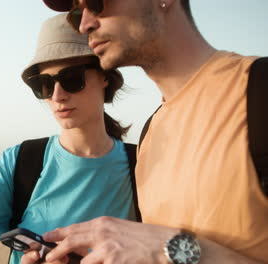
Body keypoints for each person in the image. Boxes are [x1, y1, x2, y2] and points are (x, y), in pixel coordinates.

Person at [20, 0, 268, 263]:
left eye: (96, 3)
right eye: (78, 13)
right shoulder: (150, 134)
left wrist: (172, 248)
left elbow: (164, 251)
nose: (84, 25)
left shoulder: (258, 91)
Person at [0, 13, 138, 264]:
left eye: (72, 79)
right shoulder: (21, 162)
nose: (57, 96)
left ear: (105, 74)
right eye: (44, 84)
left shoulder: (142, 164)